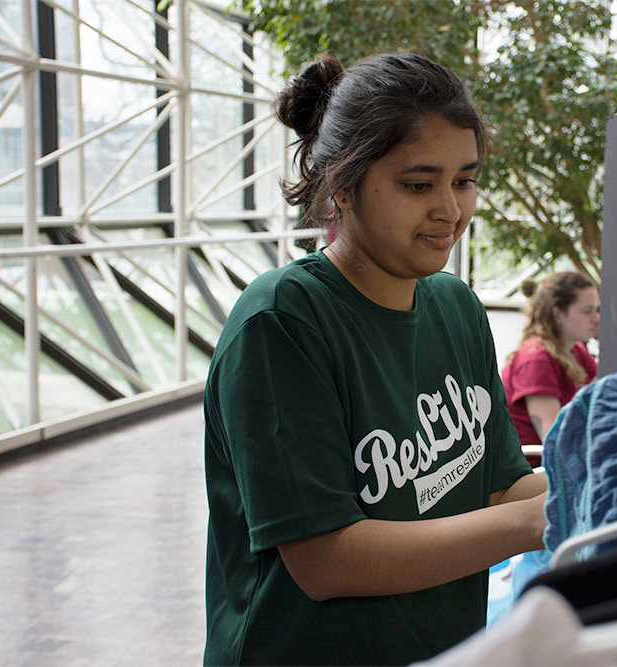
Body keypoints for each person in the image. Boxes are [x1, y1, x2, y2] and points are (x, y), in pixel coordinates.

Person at [202, 52, 548, 666]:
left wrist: (596, 479)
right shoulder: (282, 321)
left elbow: (496, 488)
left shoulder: (456, 307)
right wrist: (541, 520)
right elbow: (325, 559)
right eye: (419, 185)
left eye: (464, 180)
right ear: (342, 183)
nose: (450, 209)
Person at [501, 272, 600, 452]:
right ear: (558, 314)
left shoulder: (576, 351)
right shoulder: (536, 360)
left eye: (597, 310)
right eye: (587, 311)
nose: (596, 319)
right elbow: (554, 440)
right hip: (536, 467)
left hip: (569, 455)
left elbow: (602, 393)